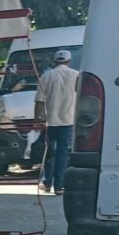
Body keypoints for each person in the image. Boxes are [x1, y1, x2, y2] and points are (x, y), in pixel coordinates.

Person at [35, 48, 80, 193]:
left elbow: (39, 101)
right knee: (62, 153)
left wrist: (37, 119)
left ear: (55, 61)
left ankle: (47, 182)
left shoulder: (46, 76)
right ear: (69, 61)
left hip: (50, 121)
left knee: (49, 151)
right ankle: (59, 186)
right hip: (68, 120)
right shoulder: (76, 76)